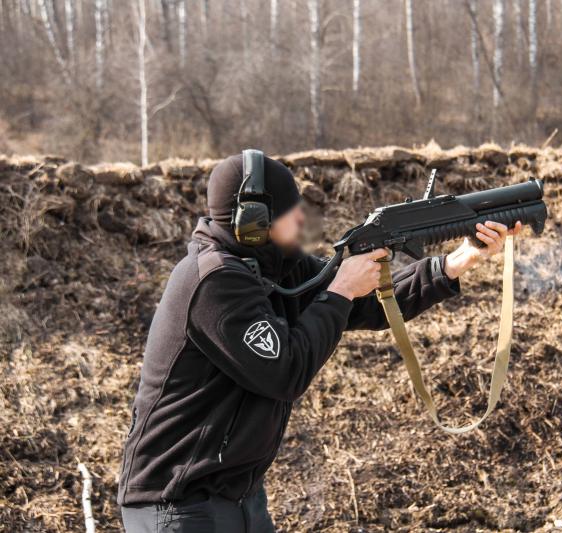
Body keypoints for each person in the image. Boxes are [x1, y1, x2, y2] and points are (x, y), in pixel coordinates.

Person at [117, 152, 521, 532]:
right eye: (289, 210)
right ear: (253, 219)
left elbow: (372, 306)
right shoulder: (212, 280)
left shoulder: (276, 267)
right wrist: (341, 289)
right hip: (176, 504)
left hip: (236, 496)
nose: (300, 218)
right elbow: (285, 371)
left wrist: (457, 261)